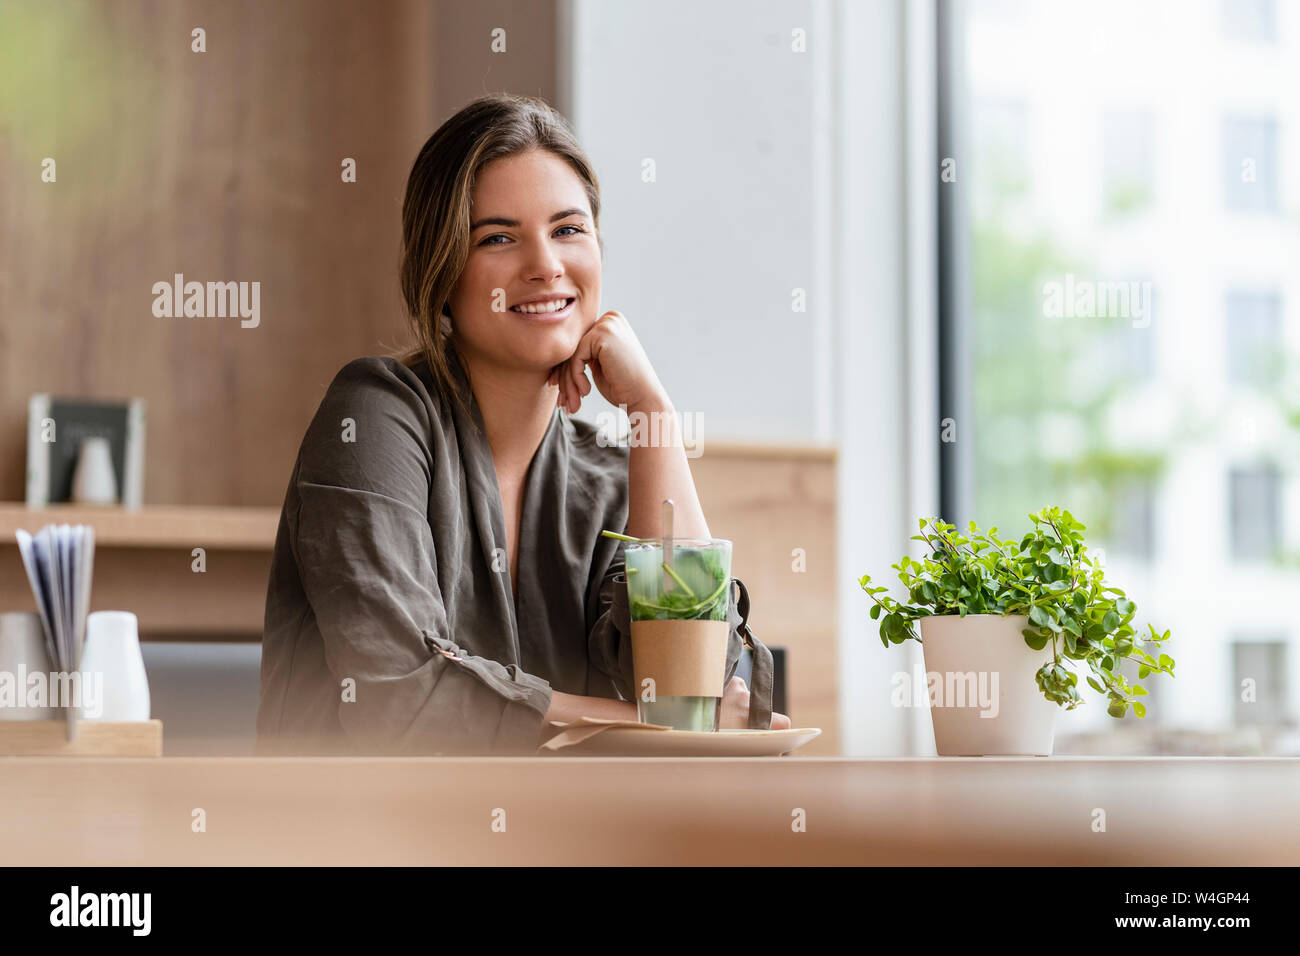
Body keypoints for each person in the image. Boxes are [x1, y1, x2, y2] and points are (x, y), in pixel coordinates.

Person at [256, 93, 790, 755]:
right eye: (499, 238)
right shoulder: (375, 416)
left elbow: (692, 691)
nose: (545, 264)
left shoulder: (607, 476)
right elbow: (398, 697)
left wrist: (654, 412)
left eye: (568, 230)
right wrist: (645, 724)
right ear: (443, 271)